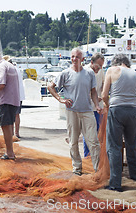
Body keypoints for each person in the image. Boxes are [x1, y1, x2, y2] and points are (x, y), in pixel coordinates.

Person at [47, 48, 102, 176]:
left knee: (93, 141)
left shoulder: (89, 73)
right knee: (73, 141)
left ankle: (98, 169)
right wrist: (60, 99)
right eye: (72, 57)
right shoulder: (65, 73)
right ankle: (77, 168)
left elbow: (93, 91)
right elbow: (50, 86)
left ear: (82, 59)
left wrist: (97, 105)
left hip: (87, 111)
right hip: (72, 112)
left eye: (77, 57)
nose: (74, 59)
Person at [102, 54, 136, 192]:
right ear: (127, 63)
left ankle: (115, 183)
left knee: (114, 146)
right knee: (132, 144)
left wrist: (109, 105)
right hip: (132, 111)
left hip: (117, 110)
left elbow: (104, 95)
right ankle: (135, 177)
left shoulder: (111, 70)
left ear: (115, 63)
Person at [83, 53, 105, 157]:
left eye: (101, 66)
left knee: (98, 133)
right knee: (88, 134)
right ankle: (87, 156)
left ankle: (97, 156)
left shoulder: (101, 71)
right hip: (87, 108)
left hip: (98, 107)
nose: (99, 68)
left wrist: (103, 95)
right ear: (91, 62)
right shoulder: (84, 72)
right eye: (98, 66)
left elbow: (104, 84)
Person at [3, 55, 25, 139]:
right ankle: (17, 132)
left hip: (13, 95)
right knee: (17, 114)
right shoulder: (17, 69)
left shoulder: (9, 70)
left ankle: (12, 133)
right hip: (19, 95)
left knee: (11, 115)